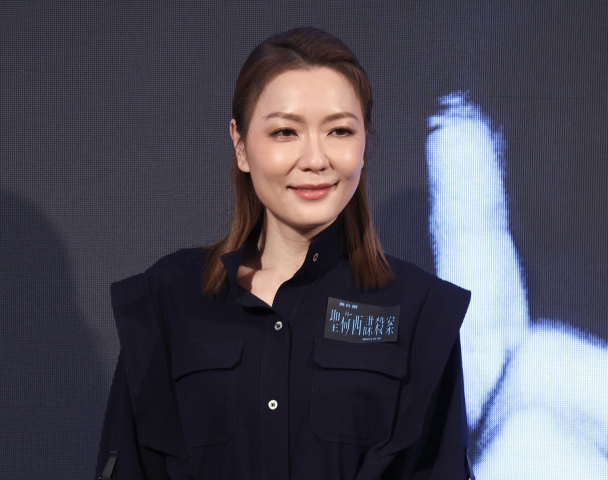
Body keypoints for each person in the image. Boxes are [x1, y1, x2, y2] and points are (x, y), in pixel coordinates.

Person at [96, 27, 473, 480]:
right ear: (241, 145)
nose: (315, 159)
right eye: (285, 132)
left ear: (364, 145)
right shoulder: (167, 300)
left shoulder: (422, 310)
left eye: (339, 130)